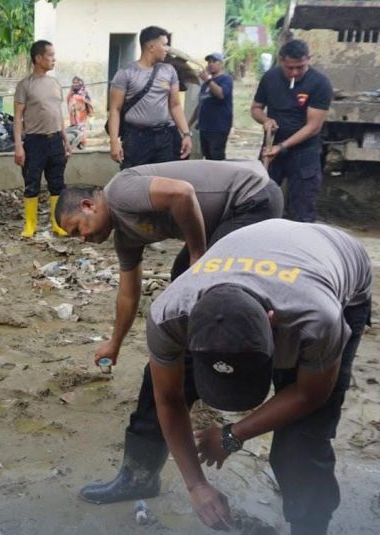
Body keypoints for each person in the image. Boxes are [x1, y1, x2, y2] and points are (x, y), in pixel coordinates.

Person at [54, 159, 283, 501]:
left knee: (195, 316)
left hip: (251, 202)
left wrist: (198, 256)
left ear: (89, 205)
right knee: (184, 290)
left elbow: (182, 193)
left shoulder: (119, 191)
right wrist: (114, 344)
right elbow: (129, 292)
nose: (83, 238)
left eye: (78, 229)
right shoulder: (125, 237)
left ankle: (207, 371)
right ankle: (149, 454)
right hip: (230, 214)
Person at [147, 219, 371, 535]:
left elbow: (310, 395)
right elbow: (168, 399)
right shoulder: (168, 314)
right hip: (266, 258)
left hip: (338, 262)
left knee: (301, 440)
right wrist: (196, 484)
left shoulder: (317, 318)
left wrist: (232, 435)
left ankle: (310, 526)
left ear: (271, 322)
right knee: (168, 384)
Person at [251, 39, 332, 222]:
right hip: (271, 150)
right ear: (281, 61)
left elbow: (313, 127)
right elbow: (256, 108)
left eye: (300, 67)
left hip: (304, 152)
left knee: (302, 209)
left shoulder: (320, 83)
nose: (294, 72)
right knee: (260, 202)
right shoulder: (270, 78)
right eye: (289, 67)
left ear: (308, 59)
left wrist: (282, 147)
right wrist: (265, 119)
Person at [108, 26, 192, 169]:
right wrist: (114, 142)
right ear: (152, 47)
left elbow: (175, 105)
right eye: (164, 45)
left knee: (168, 180)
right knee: (135, 179)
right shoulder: (126, 73)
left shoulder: (169, 71)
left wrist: (186, 134)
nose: (167, 49)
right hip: (136, 138)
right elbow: (115, 109)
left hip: (165, 136)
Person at [14, 40, 72, 238]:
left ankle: (57, 224)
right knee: (32, 184)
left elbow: (58, 114)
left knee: (57, 184)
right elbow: (18, 118)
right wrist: (19, 146)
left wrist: (65, 140)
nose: (54, 59)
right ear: (38, 58)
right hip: (34, 142)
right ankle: (30, 226)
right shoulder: (25, 85)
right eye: (50, 55)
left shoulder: (55, 84)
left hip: (55, 140)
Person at [189, 52, 233, 160]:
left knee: (216, 157)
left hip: (218, 127)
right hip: (205, 127)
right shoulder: (205, 84)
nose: (210, 64)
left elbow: (221, 94)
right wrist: (188, 124)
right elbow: (200, 104)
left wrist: (208, 80)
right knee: (207, 157)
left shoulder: (226, 79)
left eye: (214, 61)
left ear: (221, 64)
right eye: (209, 62)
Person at [67, 76, 93, 147]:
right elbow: (68, 100)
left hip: (81, 114)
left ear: (80, 82)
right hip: (73, 114)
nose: (75, 84)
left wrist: (81, 101)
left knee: (81, 128)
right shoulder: (71, 92)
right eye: (74, 82)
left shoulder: (84, 91)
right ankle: (75, 142)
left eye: (77, 82)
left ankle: (82, 143)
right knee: (74, 127)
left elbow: (88, 101)